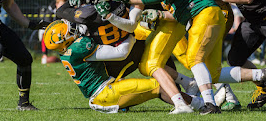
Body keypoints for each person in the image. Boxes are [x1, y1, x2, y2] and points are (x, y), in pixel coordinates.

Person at [109, 0, 266, 114]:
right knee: (213, 73)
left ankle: (210, 105)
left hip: (205, 13)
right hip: (208, 15)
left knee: (194, 58)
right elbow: (176, 11)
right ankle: (262, 75)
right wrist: (158, 15)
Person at [43, 19, 203, 114]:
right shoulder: (79, 48)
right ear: (63, 40)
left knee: (152, 86)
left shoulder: (66, 52)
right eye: (69, 31)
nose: (74, 30)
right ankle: (200, 105)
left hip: (105, 91)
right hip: (105, 94)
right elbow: (121, 52)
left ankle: (194, 100)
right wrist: (131, 33)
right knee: (159, 87)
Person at [39, 0, 67, 64]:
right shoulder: (50, 11)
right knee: (43, 33)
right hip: (50, 31)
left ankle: (66, 55)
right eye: (60, 5)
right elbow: (46, 23)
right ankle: (44, 55)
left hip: (61, 32)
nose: (62, 7)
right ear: (56, 4)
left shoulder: (67, 12)